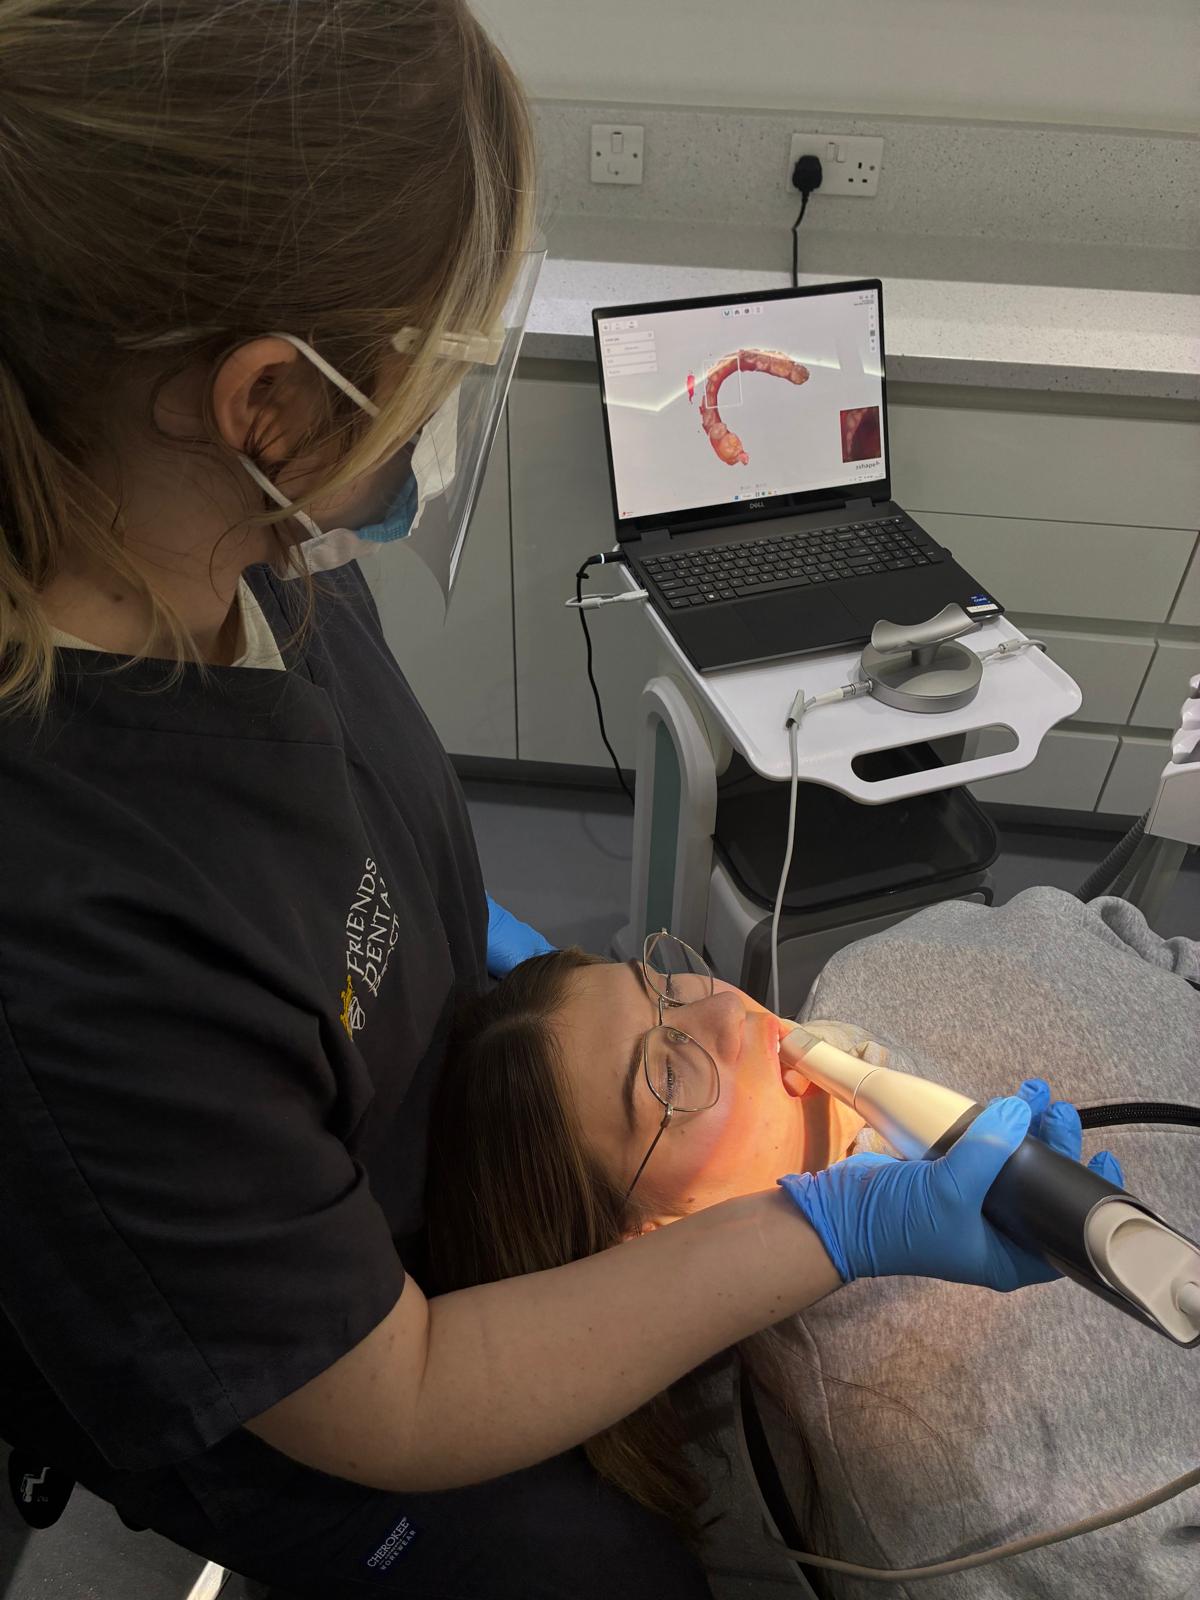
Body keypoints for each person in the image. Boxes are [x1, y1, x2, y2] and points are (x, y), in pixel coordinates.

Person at [0, 4, 1116, 1596]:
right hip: (318, 1388)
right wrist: (841, 1230)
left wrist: (502, 957)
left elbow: (347, 853)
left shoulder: (260, 561)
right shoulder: (63, 918)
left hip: (412, 1137)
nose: (731, 1021)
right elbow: (399, 1396)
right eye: (437, 361)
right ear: (265, 408)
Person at [424, 887, 1200, 1597]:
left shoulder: (898, 957)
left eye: (669, 987)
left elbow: (1157, 954)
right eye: (667, 1077)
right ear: (647, 1240)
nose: (733, 1012)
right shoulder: (928, 1473)